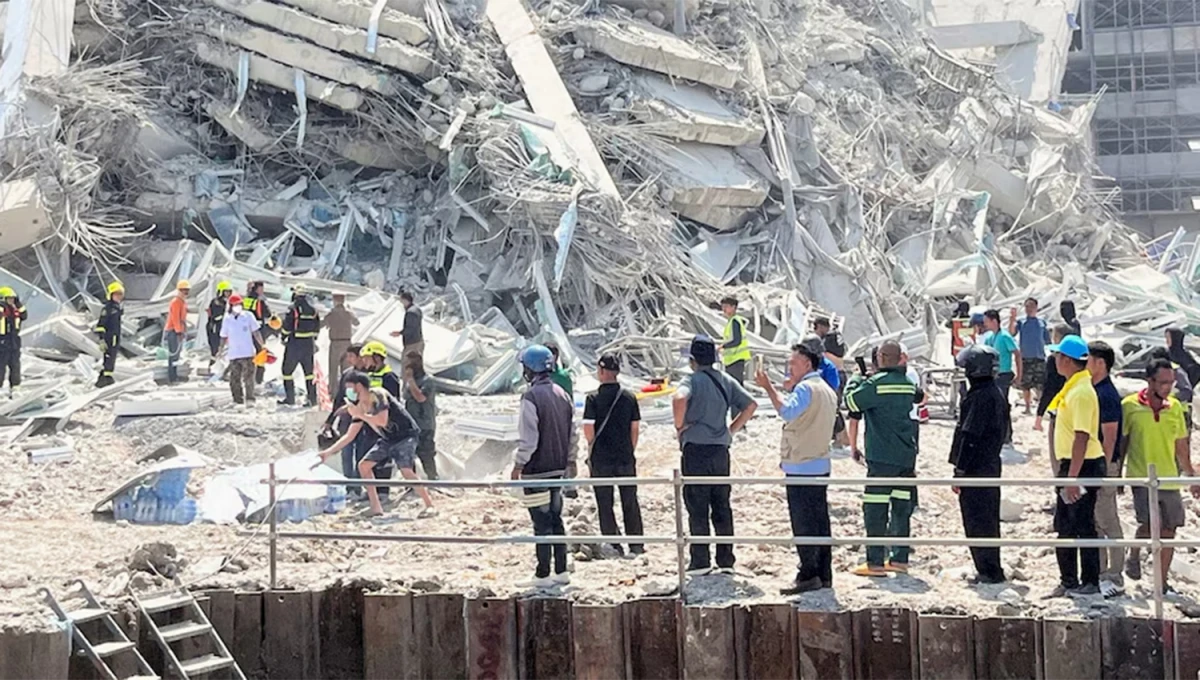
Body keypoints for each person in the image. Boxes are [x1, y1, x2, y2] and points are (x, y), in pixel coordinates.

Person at [755, 336, 838, 594]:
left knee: (803, 521)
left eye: (792, 362)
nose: (789, 367)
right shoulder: (826, 388)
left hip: (801, 463)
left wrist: (769, 388)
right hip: (820, 462)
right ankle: (824, 574)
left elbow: (788, 412)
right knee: (820, 520)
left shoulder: (806, 389)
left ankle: (808, 574)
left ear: (804, 362)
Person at [673, 335, 757, 576]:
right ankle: (725, 560)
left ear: (693, 360)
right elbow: (750, 405)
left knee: (697, 504)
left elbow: (678, 398)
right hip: (721, 450)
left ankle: (700, 561)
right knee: (722, 505)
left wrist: (680, 426)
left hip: (696, 449)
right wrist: (730, 430)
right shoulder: (726, 380)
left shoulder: (692, 379)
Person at [1122, 358, 1200, 594]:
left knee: (1170, 530)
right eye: (1163, 382)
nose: (1168, 387)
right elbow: (1123, 441)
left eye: (1171, 382)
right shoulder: (1130, 406)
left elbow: (1181, 444)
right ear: (1150, 381)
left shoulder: (1175, 407)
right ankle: (1134, 552)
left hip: (1169, 476)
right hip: (1140, 474)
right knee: (1148, 522)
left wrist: (1191, 476)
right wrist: (1116, 476)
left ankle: (1161, 582)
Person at [845, 341, 923, 576]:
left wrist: (857, 380)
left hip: (881, 456)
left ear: (879, 358)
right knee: (901, 507)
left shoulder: (875, 385)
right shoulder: (907, 383)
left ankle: (875, 562)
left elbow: (851, 402)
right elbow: (918, 397)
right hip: (906, 455)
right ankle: (899, 558)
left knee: (875, 509)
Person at [316, 371, 434, 518]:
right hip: (388, 438)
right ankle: (375, 507)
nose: (348, 392)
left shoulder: (378, 394)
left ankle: (429, 505)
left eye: (350, 388)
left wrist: (360, 415)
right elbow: (349, 435)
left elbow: (382, 420)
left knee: (406, 470)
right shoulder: (360, 406)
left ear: (359, 386)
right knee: (364, 466)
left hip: (405, 435)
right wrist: (327, 453)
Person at [1044, 334, 1105, 597]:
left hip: (1083, 464)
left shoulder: (1081, 391)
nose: (1056, 360)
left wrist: (1072, 477)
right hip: (1074, 464)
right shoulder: (1073, 386)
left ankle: (1089, 581)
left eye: (1058, 356)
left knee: (1082, 523)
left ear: (1067, 360)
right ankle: (1069, 580)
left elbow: (1082, 436)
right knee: (1066, 523)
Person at [513, 345, 577, 587]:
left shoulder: (530, 397)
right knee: (556, 519)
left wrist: (518, 465)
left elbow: (529, 438)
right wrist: (569, 461)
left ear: (530, 369)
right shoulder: (563, 394)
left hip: (536, 471)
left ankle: (542, 574)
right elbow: (573, 434)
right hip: (557, 470)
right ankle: (561, 570)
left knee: (540, 523)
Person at [949, 344, 1007, 584]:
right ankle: (989, 566)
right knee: (987, 519)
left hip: (977, 467)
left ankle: (988, 570)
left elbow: (970, 436)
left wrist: (960, 470)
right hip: (990, 464)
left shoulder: (979, 397)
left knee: (977, 520)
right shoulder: (995, 393)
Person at [583, 353, 644, 556]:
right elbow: (634, 428)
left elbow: (588, 430)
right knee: (629, 500)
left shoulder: (592, 399)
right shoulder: (629, 397)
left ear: (601, 371)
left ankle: (613, 542)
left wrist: (591, 448)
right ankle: (636, 544)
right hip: (625, 456)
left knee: (604, 501)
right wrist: (630, 448)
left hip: (601, 457)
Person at [1087, 341, 1125, 597]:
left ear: (1100, 363)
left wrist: (1104, 468)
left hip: (1105, 464)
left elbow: (1110, 437)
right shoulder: (1094, 390)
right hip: (1097, 463)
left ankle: (1115, 573)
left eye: (1088, 359)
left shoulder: (1107, 395)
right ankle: (1100, 572)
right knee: (1096, 521)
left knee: (1108, 518)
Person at [982, 309, 1020, 445]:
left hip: (1003, 374)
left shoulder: (1004, 336)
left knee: (1002, 405)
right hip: (992, 375)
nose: (985, 324)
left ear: (994, 321)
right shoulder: (989, 337)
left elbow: (1017, 353)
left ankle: (1007, 435)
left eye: (987, 321)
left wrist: (1019, 374)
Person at [279, 284, 320, 406]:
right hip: (308, 345)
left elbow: (287, 326)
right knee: (309, 374)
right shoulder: (313, 309)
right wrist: (314, 339)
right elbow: (317, 326)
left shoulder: (293, 308)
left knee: (287, 371)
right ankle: (312, 400)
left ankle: (290, 399)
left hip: (294, 344)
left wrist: (283, 337)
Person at [219, 294, 264, 405]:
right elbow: (223, 336)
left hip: (248, 352)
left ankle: (250, 399)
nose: (237, 306)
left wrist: (262, 345)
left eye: (239, 304)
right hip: (234, 353)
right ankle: (237, 400)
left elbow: (256, 332)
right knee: (234, 379)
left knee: (249, 378)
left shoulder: (248, 316)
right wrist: (220, 350)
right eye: (235, 304)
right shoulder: (227, 319)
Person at [1010, 298, 1050, 416]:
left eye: (1031, 306)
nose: (1029, 309)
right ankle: (1027, 407)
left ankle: (1042, 409)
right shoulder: (1021, 322)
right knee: (1025, 385)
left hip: (1039, 357)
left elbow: (1048, 340)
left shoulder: (1042, 323)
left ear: (1036, 308)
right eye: (1027, 306)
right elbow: (1011, 333)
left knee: (1040, 385)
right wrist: (1012, 318)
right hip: (1025, 358)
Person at [404, 352, 438, 480]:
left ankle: (432, 479)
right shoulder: (409, 382)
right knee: (409, 455)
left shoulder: (428, 380)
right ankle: (412, 482)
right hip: (411, 424)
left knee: (426, 454)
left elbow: (420, 397)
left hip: (425, 424)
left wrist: (411, 380)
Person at [1035, 324, 1073, 432]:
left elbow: (1049, 387)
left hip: (1059, 407)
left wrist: (1040, 414)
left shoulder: (1055, 359)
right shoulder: (1079, 357)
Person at [1148, 346, 1193, 430]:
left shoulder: (1177, 372)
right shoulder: (1156, 370)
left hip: (1180, 412)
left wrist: (1170, 398)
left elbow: (1187, 391)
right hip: (1163, 411)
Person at [323, 293, 358, 396]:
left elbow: (322, 324)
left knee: (333, 370)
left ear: (335, 301)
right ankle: (347, 392)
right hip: (347, 344)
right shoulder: (348, 313)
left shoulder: (332, 314)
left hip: (335, 343)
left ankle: (333, 393)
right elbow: (357, 322)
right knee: (347, 370)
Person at [95, 281, 125, 388]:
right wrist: (102, 339)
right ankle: (105, 380)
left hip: (115, 338)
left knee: (112, 358)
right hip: (109, 338)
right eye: (116, 294)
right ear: (111, 295)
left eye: (120, 294)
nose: (119, 297)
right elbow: (100, 325)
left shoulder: (117, 308)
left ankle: (104, 378)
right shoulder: (107, 308)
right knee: (109, 358)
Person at [243, 281, 272, 385]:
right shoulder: (260, 301)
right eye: (261, 288)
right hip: (258, 329)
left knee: (247, 352)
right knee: (261, 352)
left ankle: (247, 376)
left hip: (246, 329)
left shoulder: (246, 299)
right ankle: (259, 378)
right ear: (257, 289)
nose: (262, 291)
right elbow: (268, 314)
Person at [0, 287, 27, 396]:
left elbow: (24, 315)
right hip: (2, 342)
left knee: (15, 365)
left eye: (13, 299)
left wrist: (18, 304)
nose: (11, 301)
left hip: (14, 342)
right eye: (9, 299)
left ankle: (15, 387)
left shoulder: (15, 310)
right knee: (0, 366)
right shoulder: (2, 309)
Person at [719, 297, 751, 386]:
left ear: (733, 307)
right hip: (732, 360)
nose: (724, 309)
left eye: (726, 306)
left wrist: (723, 346)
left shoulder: (734, 321)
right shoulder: (731, 321)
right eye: (722, 307)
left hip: (735, 359)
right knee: (733, 386)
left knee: (735, 386)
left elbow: (737, 340)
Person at [164, 280, 190, 384]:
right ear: (179, 290)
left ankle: (174, 375)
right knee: (173, 355)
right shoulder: (176, 302)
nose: (186, 293)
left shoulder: (182, 302)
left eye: (187, 291)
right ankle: (172, 377)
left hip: (178, 331)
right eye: (184, 291)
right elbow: (175, 318)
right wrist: (179, 331)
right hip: (173, 331)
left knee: (176, 356)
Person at [206, 281, 233, 371]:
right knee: (215, 349)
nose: (228, 294)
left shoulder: (229, 303)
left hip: (224, 329)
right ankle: (212, 368)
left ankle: (222, 369)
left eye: (229, 291)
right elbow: (216, 316)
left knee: (225, 350)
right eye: (226, 291)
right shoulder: (216, 302)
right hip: (215, 328)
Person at [388, 291, 424, 357]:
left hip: (412, 344)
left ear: (405, 300)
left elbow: (410, 328)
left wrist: (399, 333)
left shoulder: (411, 313)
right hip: (418, 341)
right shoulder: (417, 309)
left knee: (408, 364)